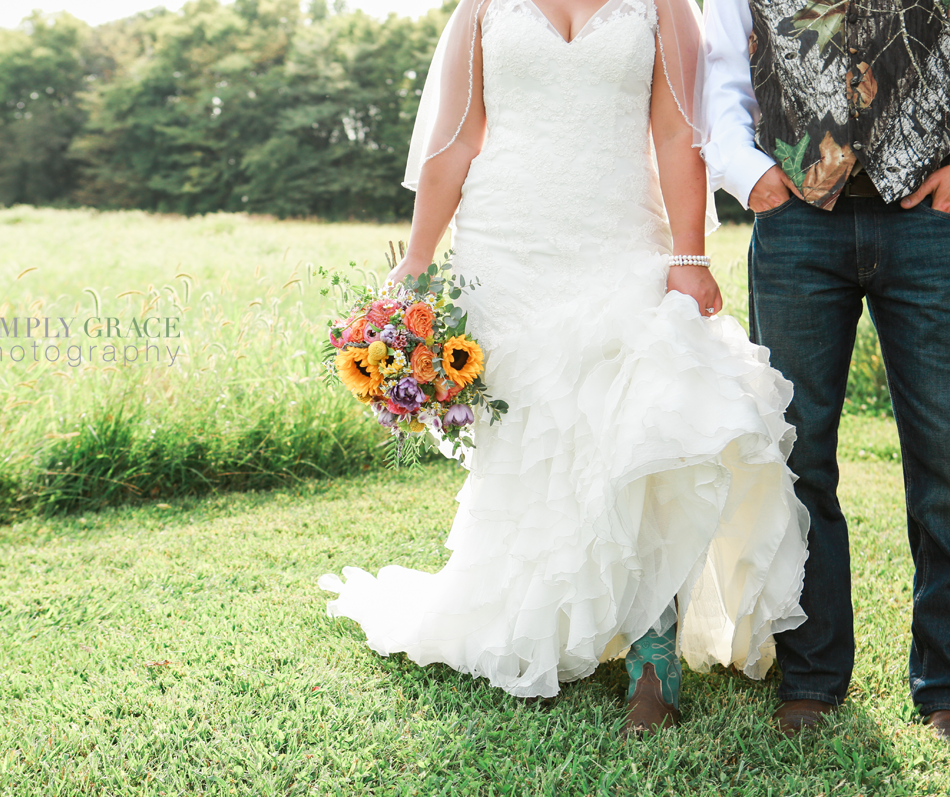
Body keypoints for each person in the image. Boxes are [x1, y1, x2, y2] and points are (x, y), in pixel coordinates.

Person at [319, 0, 810, 734]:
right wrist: (415, 264)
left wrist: (688, 256)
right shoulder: (482, 7)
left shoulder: (663, 4)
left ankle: (654, 664)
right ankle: (543, 627)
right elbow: (455, 139)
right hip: (508, 244)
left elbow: (677, 130)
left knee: (641, 426)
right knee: (538, 441)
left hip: (621, 233)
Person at [703, 0, 950, 741]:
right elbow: (720, 68)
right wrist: (750, 173)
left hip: (928, 221)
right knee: (798, 453)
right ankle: (811, 676)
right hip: (794, 222)